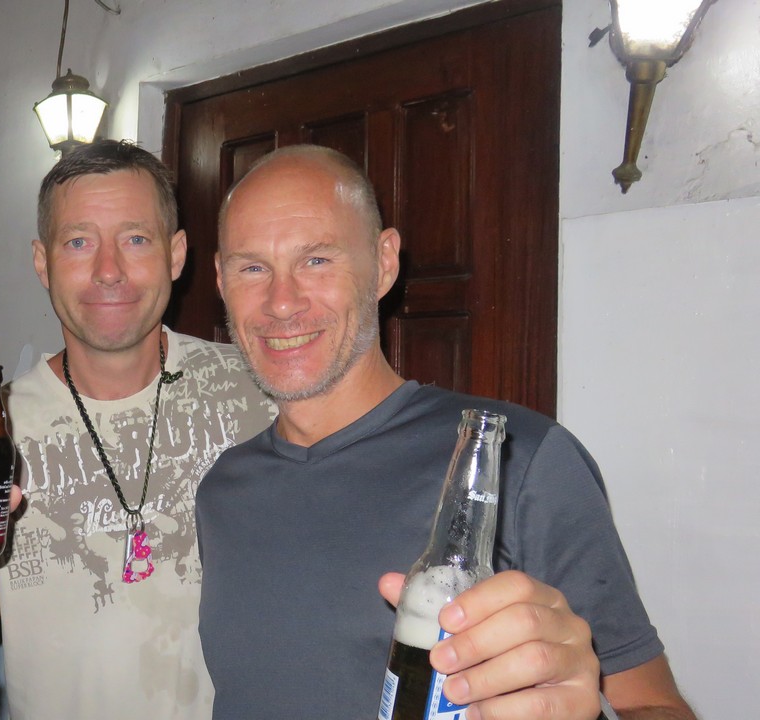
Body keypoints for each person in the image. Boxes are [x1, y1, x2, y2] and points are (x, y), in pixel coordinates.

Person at [196, 144, 696, 719]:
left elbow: (655, 705)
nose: (282, 303)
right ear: (221, 279)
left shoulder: (516, 460)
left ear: (384, 262)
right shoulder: (223, 490)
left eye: (317, 260)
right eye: (252, 267)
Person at [0, 140, 274, 719]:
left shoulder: (259, 393)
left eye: (136, 239)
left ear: (176, 255)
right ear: (41, 262)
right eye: (78, 242)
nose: (108, 271)